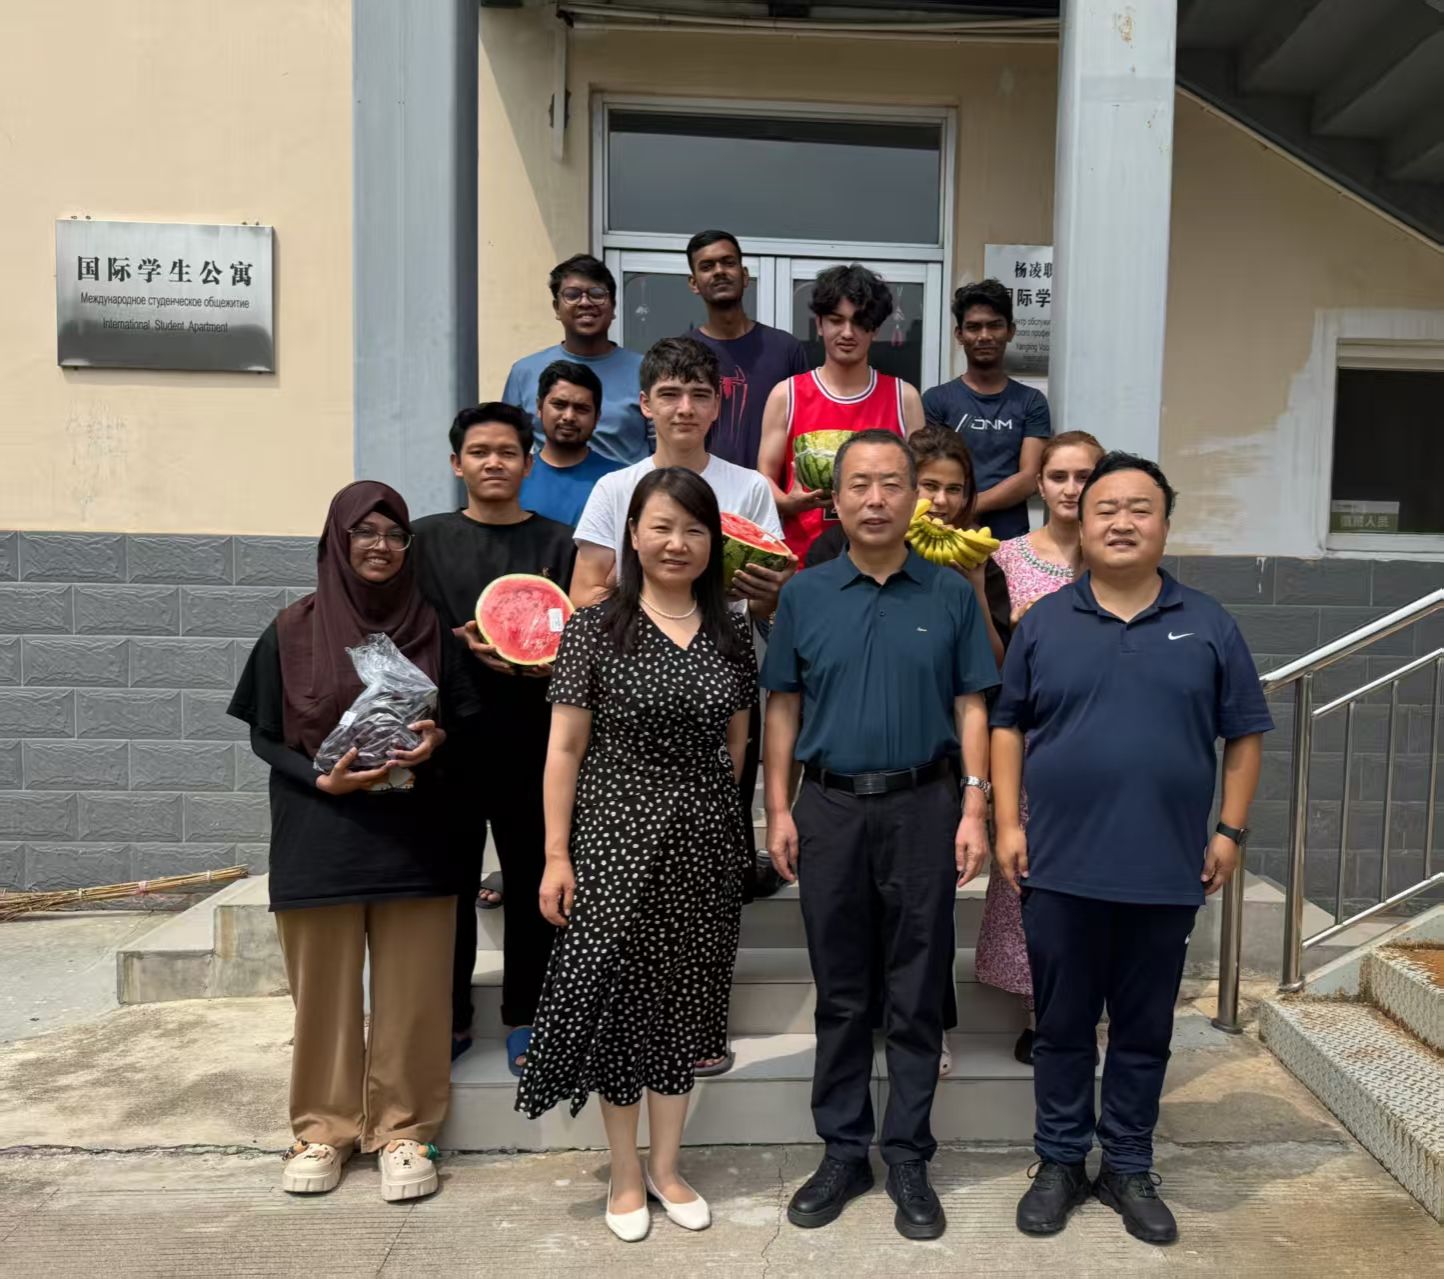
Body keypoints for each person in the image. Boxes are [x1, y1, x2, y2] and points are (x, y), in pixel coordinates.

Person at [991, 452, 1272, 1245]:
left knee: (1144, 1030)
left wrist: (1229, 830)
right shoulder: (1044, 622)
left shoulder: (1209, 622)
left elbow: (1245, 733)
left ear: (1165, 525)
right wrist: (1009, 823)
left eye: (1139, 508)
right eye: (1105, 507)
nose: (1121, 521)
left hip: (1165, 870)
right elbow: (1008, 725)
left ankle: (1127, 1163)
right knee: (1062, 1027)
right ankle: (1058, 1161)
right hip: (1060, 867)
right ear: (1081, 523)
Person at [762, 430, 998, 1242]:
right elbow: (782, 704)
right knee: (840, 988)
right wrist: (779, 807)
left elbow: (973, 702)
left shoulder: (950, 593)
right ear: (835, 500)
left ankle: (907, 1154)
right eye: (859, 483)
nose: (875, 498)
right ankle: (842, 1150)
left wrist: (974, 806)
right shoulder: (805, 593)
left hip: (924, 804)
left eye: (892, 483)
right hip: (828, 807)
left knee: (916, 985)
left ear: (914, 497)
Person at [517, 467, 757, 1243]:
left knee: (685, 1008)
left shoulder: (732, 632)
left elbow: (737, 744)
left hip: (703, 846)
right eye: (661, 526)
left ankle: (668, 1166)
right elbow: (563, 748)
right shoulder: (594, 627)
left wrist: (721, 826)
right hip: (615, 841)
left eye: (694, 528)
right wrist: (556, 854)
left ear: (712, 540)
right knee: (620, 1008)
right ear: (633, 534)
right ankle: (625, 1172)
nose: (677, 542)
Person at [227, 481, 453, 1203]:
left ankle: (405, 1129)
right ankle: (323, 1129)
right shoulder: (291, 629)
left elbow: (464, 720)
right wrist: (320, 779)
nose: (380, 545)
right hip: (319, 837)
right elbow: (265, 735)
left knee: (413, 996)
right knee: (323, 997)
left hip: (416, 840)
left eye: (393, 533)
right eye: (365, 532)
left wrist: (436, 742)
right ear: (337, 541)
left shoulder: (432, 626)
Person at [573, 336, 793, 933]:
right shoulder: (614, 489)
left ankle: (709, 934)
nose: (685, 408)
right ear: (646, 403)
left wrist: (768, 592)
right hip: (632, 682)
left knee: (721, 817)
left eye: (699, 394)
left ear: (718, 405)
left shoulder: (748, 488)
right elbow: (585, 592)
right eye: (669, 394)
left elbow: (767, 593)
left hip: (721, 674)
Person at [411, 403, 576, 1074]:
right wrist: (450, 646)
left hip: (533, 739)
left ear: (528, 463)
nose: (494, 463)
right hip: (445, 741)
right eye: (479, 452)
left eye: (508, 452)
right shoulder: (423, 541)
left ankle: (527, 1015)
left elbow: (580, 634)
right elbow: (400, 632)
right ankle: (448, 1014)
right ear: (457, 464)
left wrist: (545, 659)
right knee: (447, 881)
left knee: (534, 880)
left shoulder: (560, 544)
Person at [974, 430, 1104, 1065]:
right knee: (1029, 871)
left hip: (1105, 741)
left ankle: (1089, 1005)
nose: (1072, 489)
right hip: (1029, 739)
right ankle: (1039, 1010)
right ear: (1039, 484)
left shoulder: (1119, 556)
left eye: (1085, 476)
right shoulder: (1005, 557)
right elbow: (992, 662)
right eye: (1059, 476)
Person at [758, 264, 926, 562]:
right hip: (802, 563)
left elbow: (919, 484)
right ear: (819, 324)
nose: (847, 332)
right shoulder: (787, 395)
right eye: (836, 320)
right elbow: (764, 478)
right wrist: (787, 502)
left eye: (859, 322)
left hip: (883, 565)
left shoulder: (905, 398)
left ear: (875, 330)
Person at [922, 279, 1051, 542]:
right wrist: (955, 509)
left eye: (994, 325)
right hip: (945, 534)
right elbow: (929, 470)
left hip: (1010, 540)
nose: (984, 336)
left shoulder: (1031, 402)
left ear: (1010, 331)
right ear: (959, 335)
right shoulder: (937, 400)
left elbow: (1029, 478)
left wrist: (969, 507)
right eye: (973, 327)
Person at [502, 254, 649, 465]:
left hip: (628, 485)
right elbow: (508, 444)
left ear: (613, 307)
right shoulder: (524, 372)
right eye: (572, 295)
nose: (585, 302)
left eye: (597, 294)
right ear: (556, 307)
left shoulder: (646, 371)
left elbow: (662, 448)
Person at [683, 229, 810, 469]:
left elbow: (803, 429)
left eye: (728, 263)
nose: (719, 271)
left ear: (745, 276)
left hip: (770, 488)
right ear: (694, 283)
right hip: (700, 487)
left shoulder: (785, 349)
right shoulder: (682, 353)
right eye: (707, 266)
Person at [518, 360, 625, 527]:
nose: (569, 417)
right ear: (539, 407)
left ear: (597, 417)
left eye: (581, 409)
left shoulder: (621, 479)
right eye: (559, 405)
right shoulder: (515, 477)